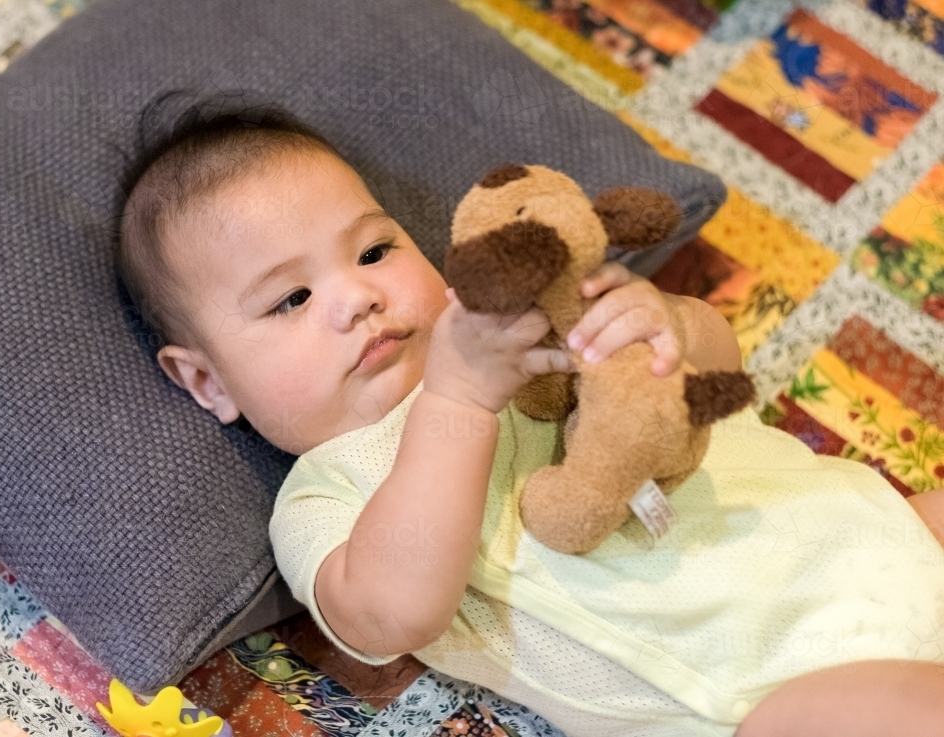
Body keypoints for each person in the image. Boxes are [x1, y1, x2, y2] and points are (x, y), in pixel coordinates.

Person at [115, 104, 944, 737]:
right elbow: (390, 612)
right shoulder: (325, 499)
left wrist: (663, 323)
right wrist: (456, 401)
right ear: (206, 380)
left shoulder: (522, 318)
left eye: (374, 252)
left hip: (876, 530)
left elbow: (719, 369)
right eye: (290, 299)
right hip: (770, 692)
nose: (356, 296)